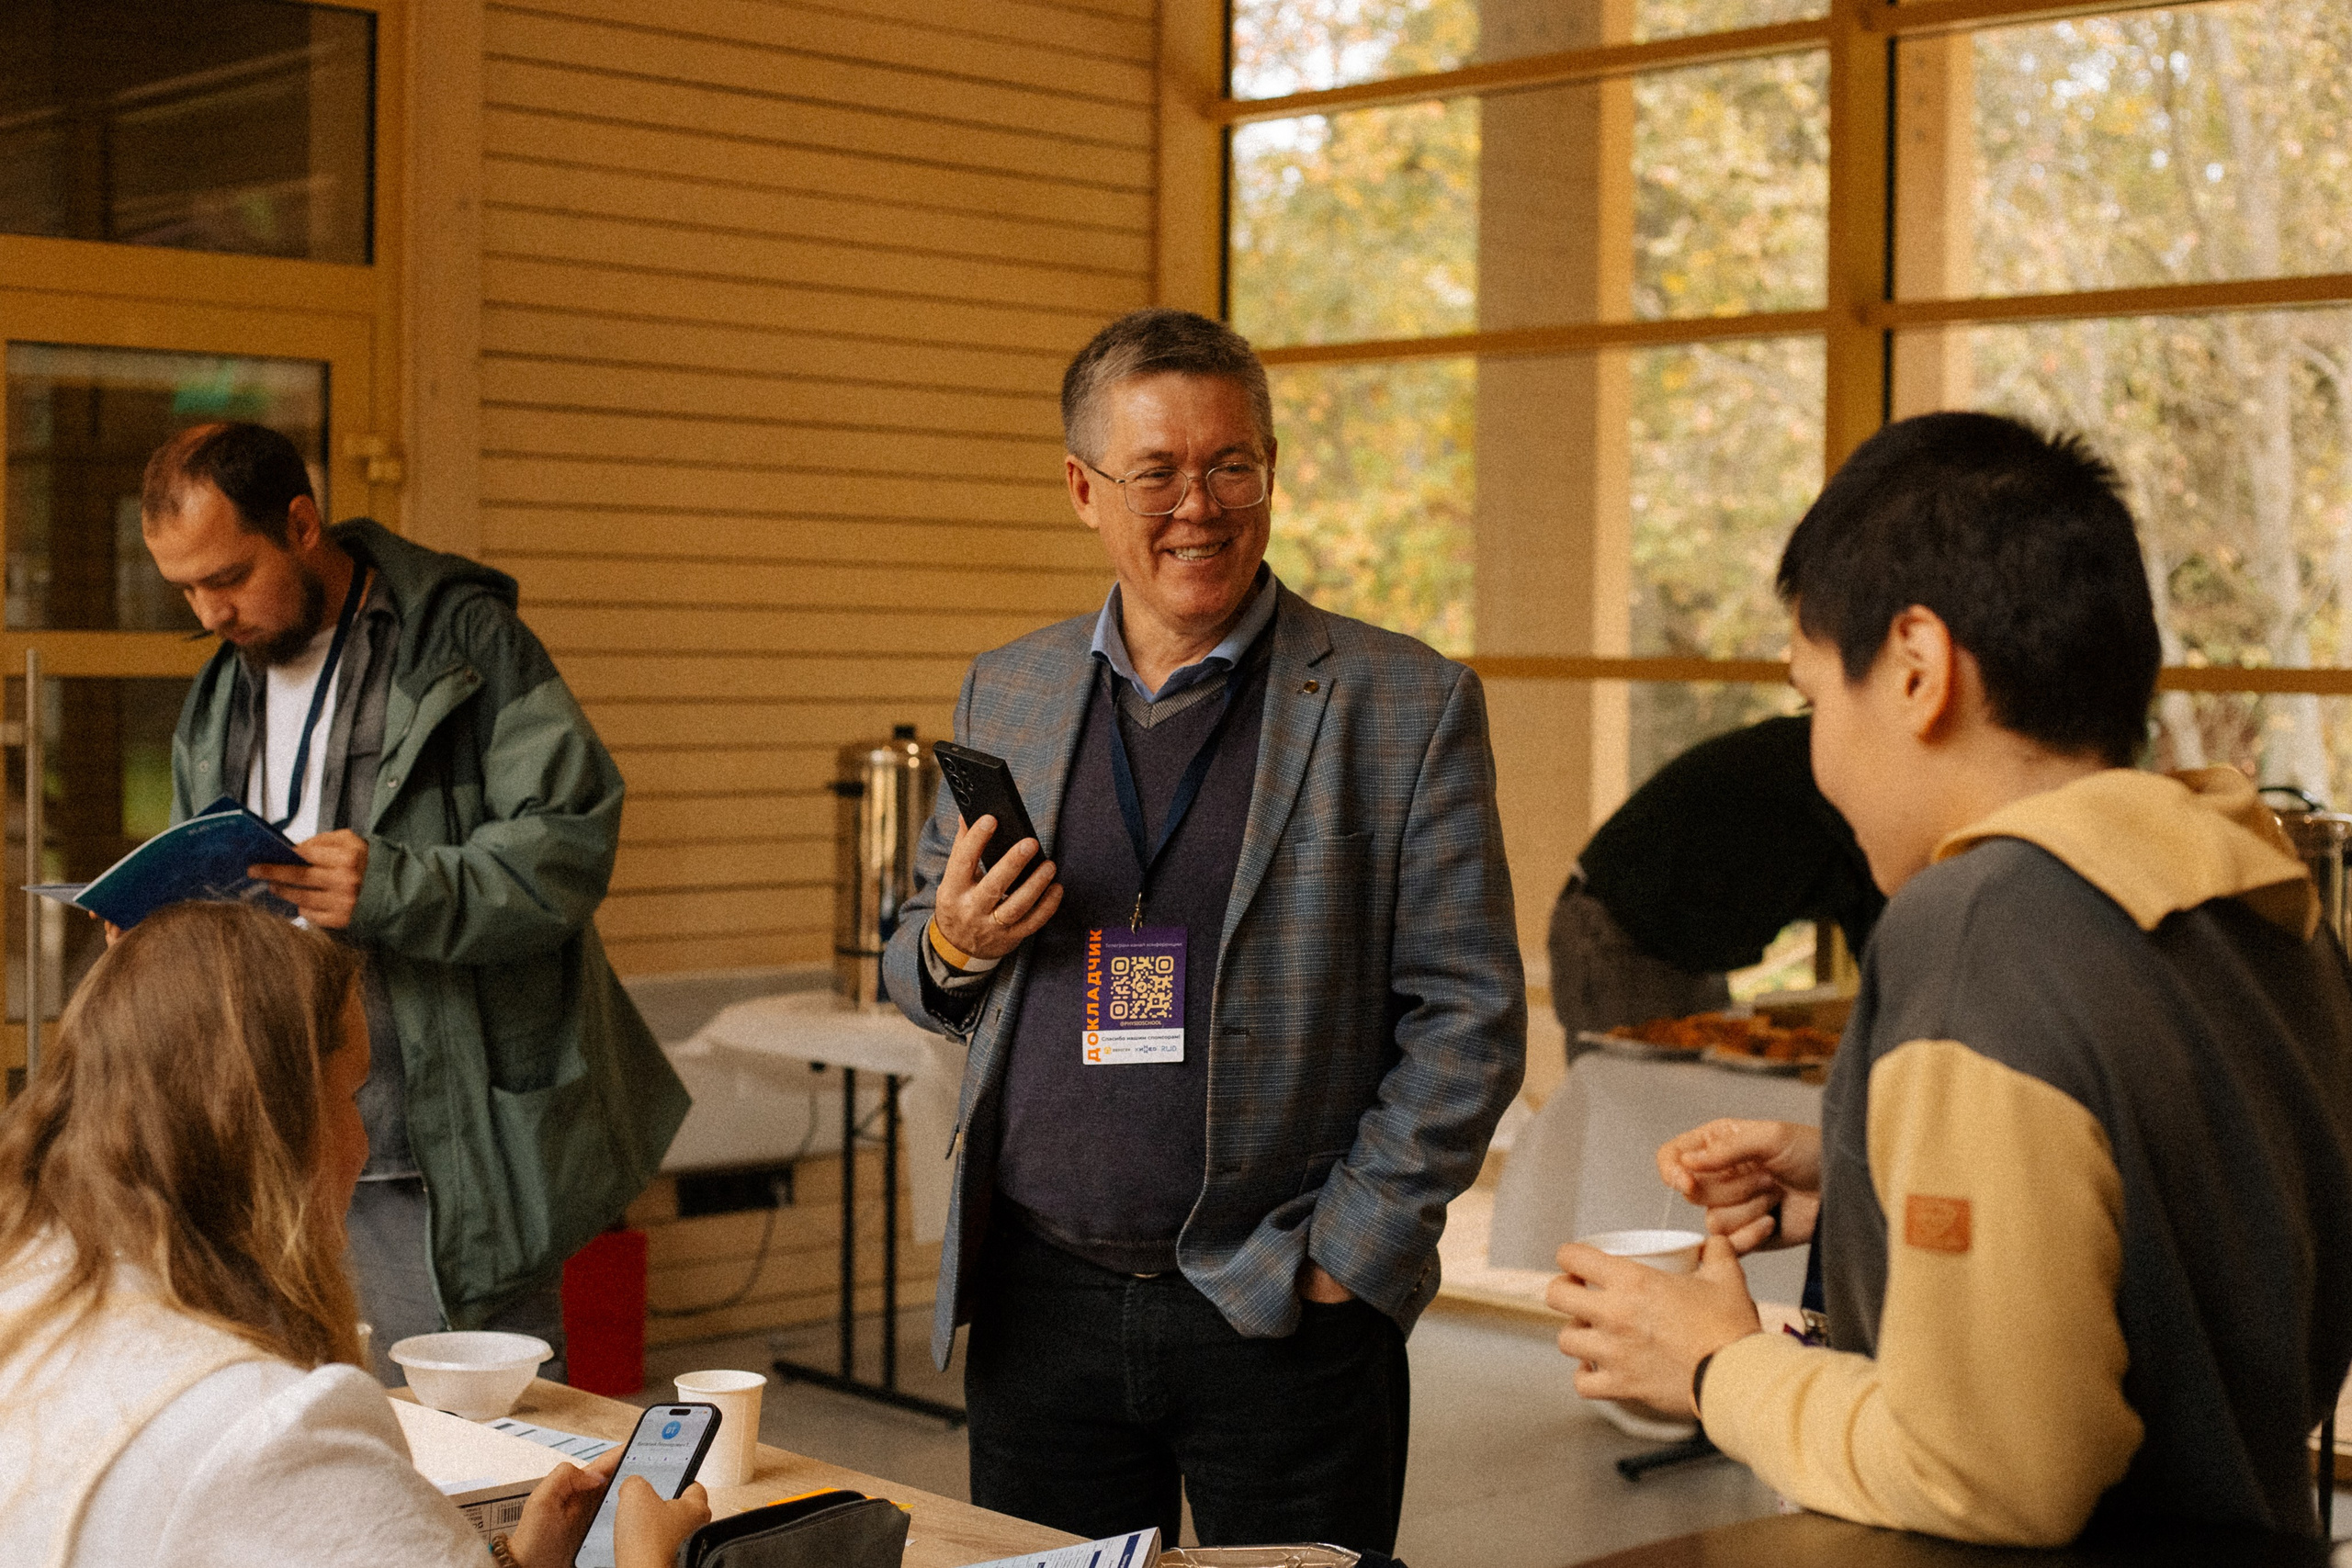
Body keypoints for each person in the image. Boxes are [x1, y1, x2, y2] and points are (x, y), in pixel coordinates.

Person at [1547, 412, 2352, 1545]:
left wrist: (1714, 1364)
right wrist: (1865, 1176)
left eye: (1815, 696)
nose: (1818, 750)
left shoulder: (1978, 925)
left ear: (1918, 669)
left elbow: (1993, 1475)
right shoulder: (2248, 891)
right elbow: (2192, 1214)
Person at [881, 308, 1524, 1551]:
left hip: (1279, 1301)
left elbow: (1471, 1015)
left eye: (1233, 464)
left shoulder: (1404, 701)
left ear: (1270, 472)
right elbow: (919, 960)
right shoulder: (1007, 687)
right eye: (1158, 471)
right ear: (1083, 488)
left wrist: (1353, 1252)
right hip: (1038, 1299)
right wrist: (955, 941)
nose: (1201, 504)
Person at [139, 423, 688, 1381]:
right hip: (278, 1141)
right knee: (313, 1444)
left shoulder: (466, 640)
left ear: (302, 523)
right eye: (184, 588)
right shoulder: (224, 686)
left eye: (226, 576)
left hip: (438, 1145)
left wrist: (392, 884)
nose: (209, 611)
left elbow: (569, 843)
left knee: (486, 1460)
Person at [0, 901, 709, 1567]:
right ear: (273, 1127)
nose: (365, 1142)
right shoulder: (279, 1433)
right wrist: (647, 1556)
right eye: (350, 1094)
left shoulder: (27, 1304)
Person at [1550, 713, 1882, 1055]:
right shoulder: (1830, 760)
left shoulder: (1841, 761)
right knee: (1631, 1094)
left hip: (1687, 941)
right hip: (1622, 931)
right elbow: (1879, 907)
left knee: (1702, 1095)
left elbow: (1871, 913)